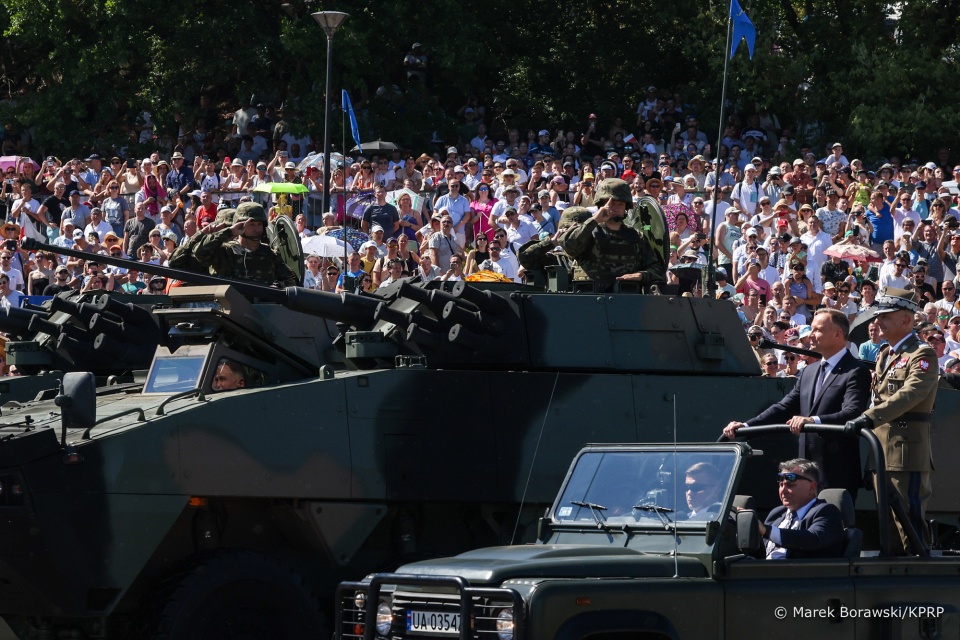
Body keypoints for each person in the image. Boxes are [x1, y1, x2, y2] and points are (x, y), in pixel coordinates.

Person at [724, 308, 871, 498]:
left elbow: (852, 412)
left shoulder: (856, 371)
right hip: (805, 474)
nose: (811, 335)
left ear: (838, 333)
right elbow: (784, 407)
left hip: (836, 474)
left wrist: (813, 421)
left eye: (818, 330)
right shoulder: (809, 372)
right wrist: (745, 426)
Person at [846, 287, 939, 554]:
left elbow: (909, 394)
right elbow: (878, 400)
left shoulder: (922, 354)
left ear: (906, 320)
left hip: (905, 451)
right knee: (887, 525)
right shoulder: (885, 355)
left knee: (908, 521)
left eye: (886, 316)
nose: (878, 321)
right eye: (879, 315)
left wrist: (867, 418)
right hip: (881, 453)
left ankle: (915, 582)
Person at [559, 179, 664, 292]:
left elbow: (657, 269)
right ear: (601, 204)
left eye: (620, 204)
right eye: (611, 203)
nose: (615, 208)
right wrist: (595, 219)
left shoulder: (636, 237)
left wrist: (641, 275)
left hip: (625, 300)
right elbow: (568, 245)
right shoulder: (588, 231)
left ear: (626, 207)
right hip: (588, 299)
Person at [192, 202, 299, 288]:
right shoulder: (226, 252)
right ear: (240, 225)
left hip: (263, 309)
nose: (257, 229)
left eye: (259, 224)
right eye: (251, 224)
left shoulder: (270, 254)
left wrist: (278, 286)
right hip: (229, 310)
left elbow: (292, 280)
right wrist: (230, 232)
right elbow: (199, 253)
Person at [758, 459, 846, 560]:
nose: (783, 490)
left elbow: (812, 539)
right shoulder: (776, 513)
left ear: (812, 487)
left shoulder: (826, 511)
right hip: (761, 571)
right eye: (781, 485)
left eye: (790, 485)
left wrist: (767, 531)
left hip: (798, 573)